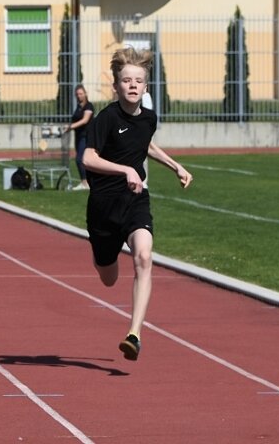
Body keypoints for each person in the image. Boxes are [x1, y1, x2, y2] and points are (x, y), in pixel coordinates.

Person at [82, 47, 193, 361]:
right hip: (103, 207)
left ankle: (134, 334)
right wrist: (125, 169)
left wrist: (176, 166)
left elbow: (146, 145)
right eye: (126, 80)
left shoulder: (149, 118)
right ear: (116, 86)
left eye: (138, 81)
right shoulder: (106, 118)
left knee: (144, 257)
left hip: (135, 201)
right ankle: (102, 253)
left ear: (146, 87)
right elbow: (88, 158)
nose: (132, 85)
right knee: (108, 277)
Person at [64, 84, 94, 190]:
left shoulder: (88, 106)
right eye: (77, 94)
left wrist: (71, 127)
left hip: (86, 136)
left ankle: (85, 183)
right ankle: (87, 182)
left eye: (81, 94)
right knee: (81, 159)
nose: (79, 96)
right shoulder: (78, 107)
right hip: (78, 136)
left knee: (80, 159)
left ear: (85, 94)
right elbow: (75, 119)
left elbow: (85, 120)